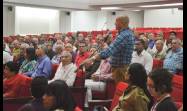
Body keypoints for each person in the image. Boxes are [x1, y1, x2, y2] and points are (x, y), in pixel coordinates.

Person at [82, 16, 135, 84]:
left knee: (121, 90)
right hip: (120, 68)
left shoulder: (124, 35)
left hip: (121, 69)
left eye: (116, 22)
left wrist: (92, 58)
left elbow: (109, 51)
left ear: (121, 23)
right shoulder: (126, 33)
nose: (114, 23)